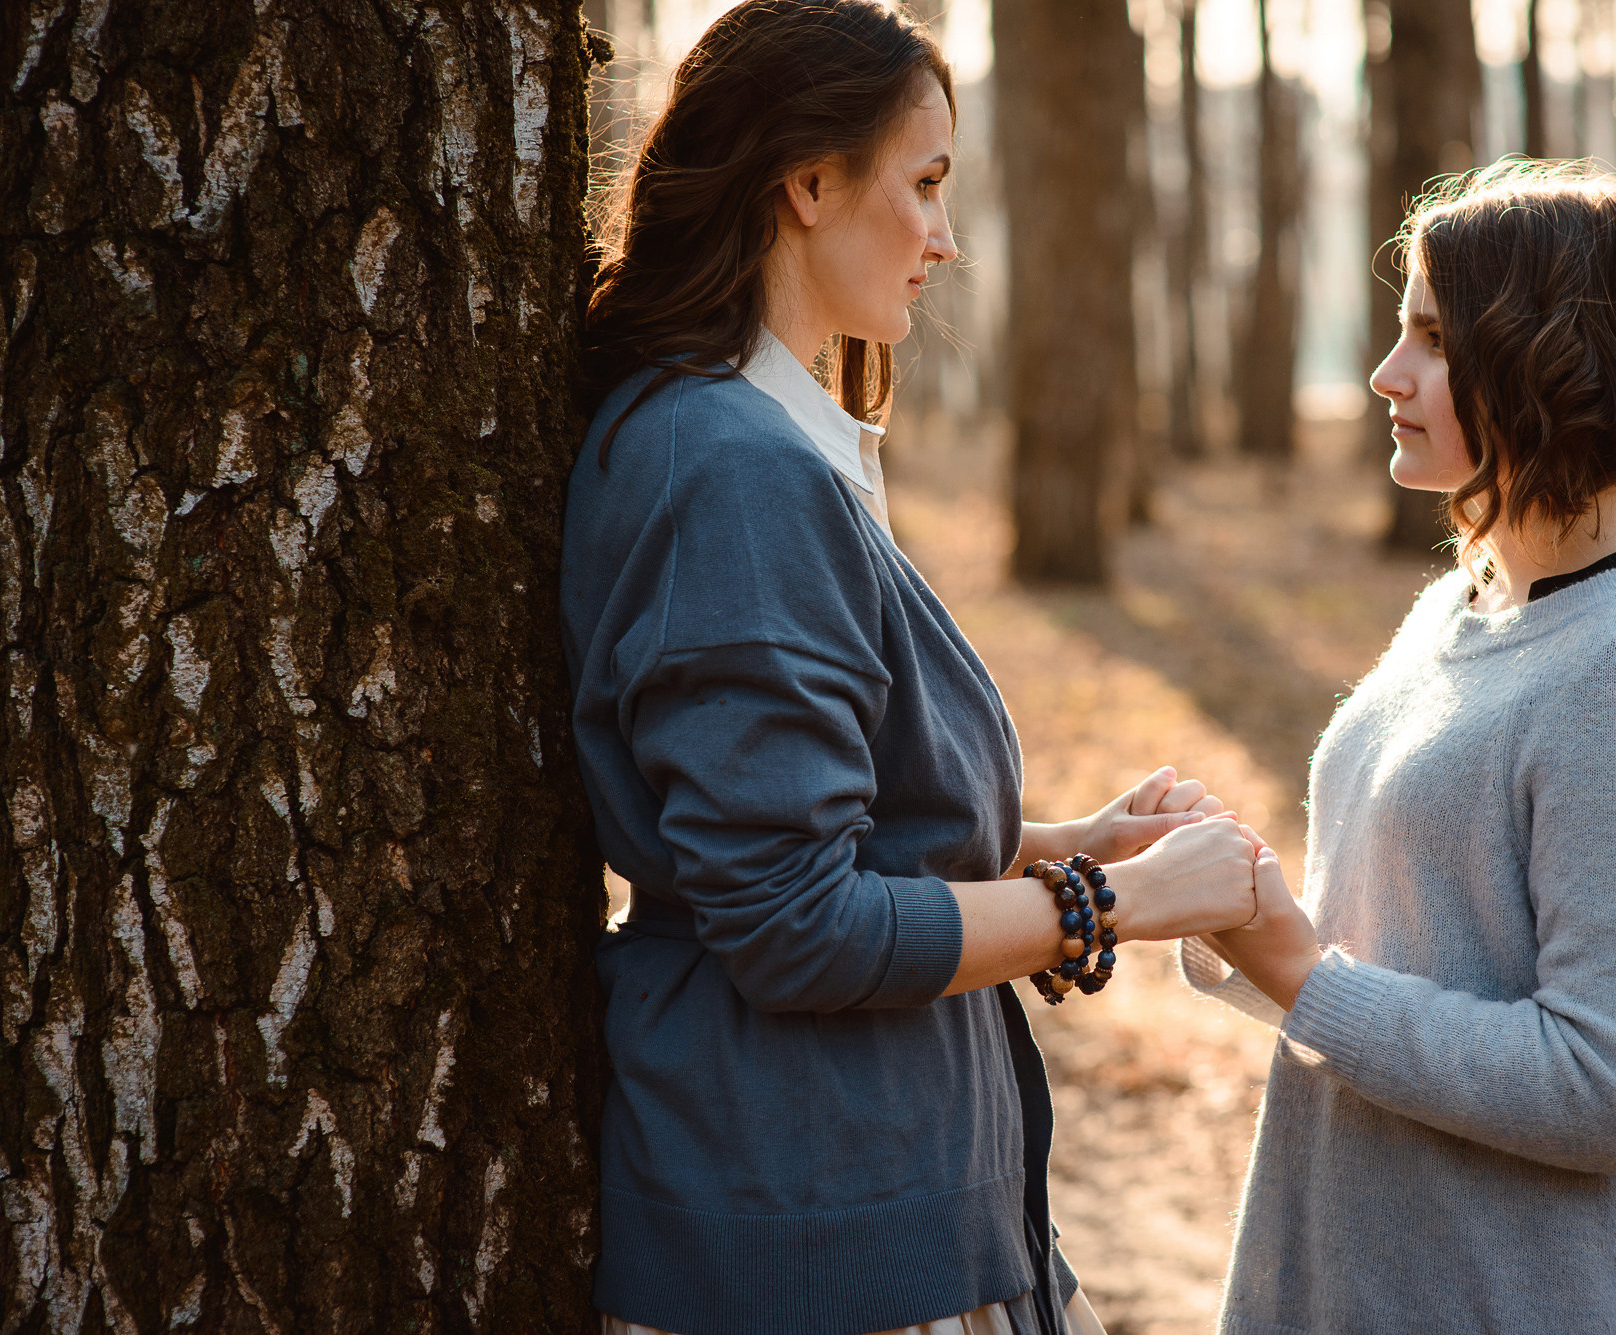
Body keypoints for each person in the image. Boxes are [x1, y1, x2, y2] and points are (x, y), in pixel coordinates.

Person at [560, 4, 1261, 1332]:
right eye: (925, 183)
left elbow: (814, 829)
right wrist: (1109, 899)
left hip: (863, 1183)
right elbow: (790, 918)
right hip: (815, 1222)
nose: (945, 236)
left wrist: (1058, 843)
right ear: (809, 181)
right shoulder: (732, 468)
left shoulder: (753, 435)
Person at [1186, 162, 1616, 1333]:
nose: (1382, 374)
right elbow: (1425, 944)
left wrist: (1301, 973)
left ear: (1545, 361)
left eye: (1430, 340)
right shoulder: (1471, 599)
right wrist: (1236, 911)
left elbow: (1610, 1090)